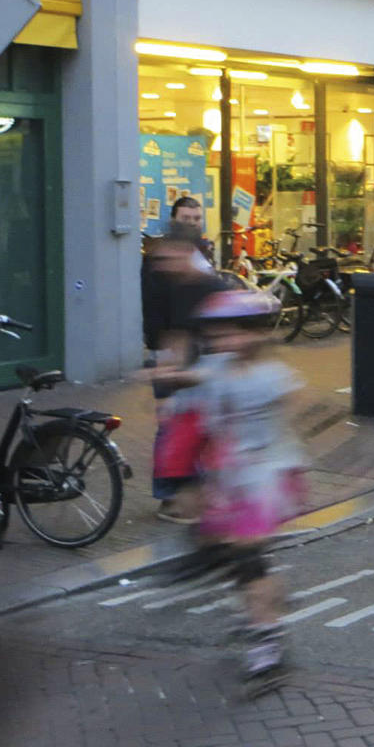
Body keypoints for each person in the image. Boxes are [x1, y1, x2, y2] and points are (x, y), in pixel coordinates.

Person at [180, 289, 305, 693]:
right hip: (229, 475)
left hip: (267, 473)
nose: (224, 343)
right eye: (218, 336)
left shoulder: (272, 375)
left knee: (249, 556)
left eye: (233, 334)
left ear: (254, 334)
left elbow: (300, 408)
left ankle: (267, 641)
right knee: (233, 555)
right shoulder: (216, 367)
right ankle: (266, 610)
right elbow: (195, 387)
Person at [141, 219, 225, 523]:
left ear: (188, 251)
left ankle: (192, 497)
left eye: (172, 255)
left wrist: (172, 376)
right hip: (189, 371)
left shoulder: (209, 286)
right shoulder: (170, 281)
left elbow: (206, 339)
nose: (165, 262)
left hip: (209, 372)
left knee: (200, 432)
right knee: (178, 430)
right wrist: (165, 377)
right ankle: (176, 497)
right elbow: (173, 332)